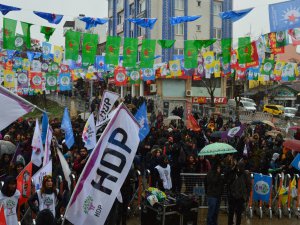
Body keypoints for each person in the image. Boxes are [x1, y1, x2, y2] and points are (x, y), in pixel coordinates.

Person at [225, 161, 251, 225]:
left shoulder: (237, 173)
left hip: (235, 196)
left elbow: (248, 186)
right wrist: (246, 196)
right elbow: (248, 186)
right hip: (238, 197)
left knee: (233, 213)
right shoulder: (244, 174)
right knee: (237, 214)